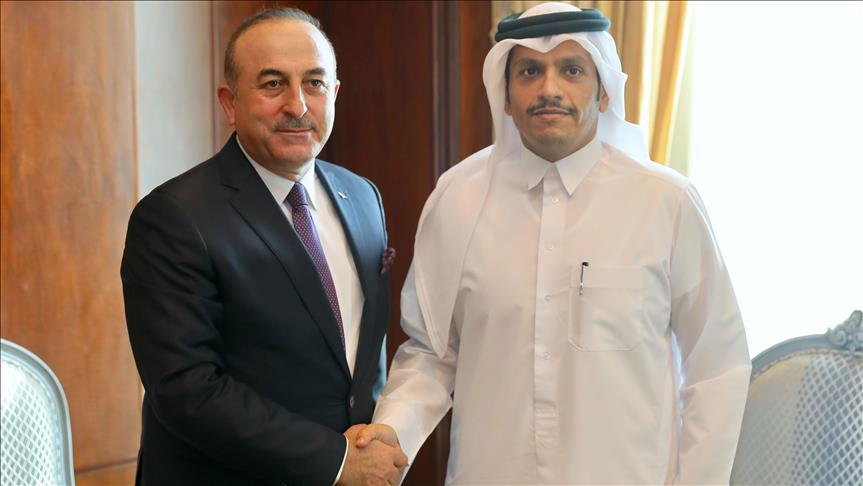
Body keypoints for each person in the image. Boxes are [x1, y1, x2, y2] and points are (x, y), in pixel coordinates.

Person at [357, 2, 751, 484]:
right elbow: (431, 352)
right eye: (529, 71)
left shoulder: (666, 202)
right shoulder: (457, 198)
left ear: (603, 92)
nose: (549, 89)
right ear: (505, 95)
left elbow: (716, 366)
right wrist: (392, 432)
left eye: (571, 70)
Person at [121, 7, 405, 486]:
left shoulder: (362, 197)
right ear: (230, 103)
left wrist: (370, 445)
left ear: (334, 94)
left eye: (314, 83)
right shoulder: (172, 217)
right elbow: (188, 391)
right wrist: (335, 461)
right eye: (273, 84)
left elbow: (361, 357)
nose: (297, 105)